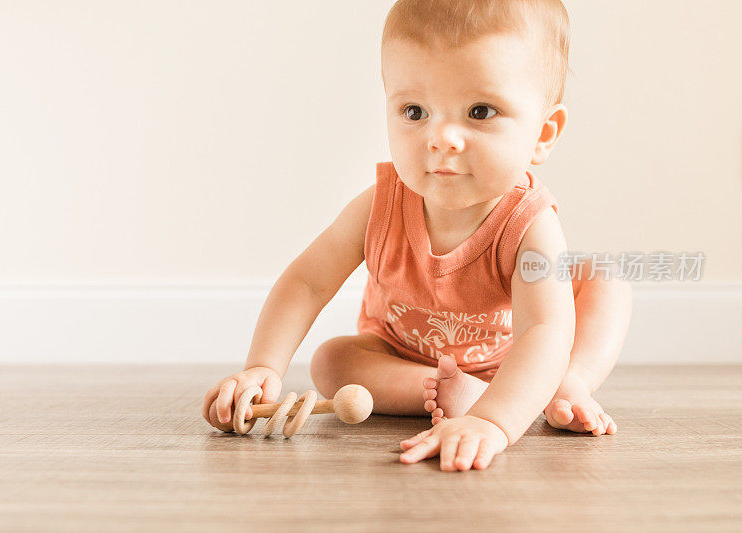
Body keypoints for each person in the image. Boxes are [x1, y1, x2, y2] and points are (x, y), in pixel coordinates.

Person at [202, 0, 633, 472]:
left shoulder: (529, 223)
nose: (441, 137)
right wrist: (263, 366)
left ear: (543, 133)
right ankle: (439, 389)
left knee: (605, 279)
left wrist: (492, 422)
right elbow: (308, 282)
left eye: (479, 111)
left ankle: (565, 385)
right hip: (399, 353)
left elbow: (543, 332)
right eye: (414, 111)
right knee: (331, 363)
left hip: (512, 359)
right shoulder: (381, 205)